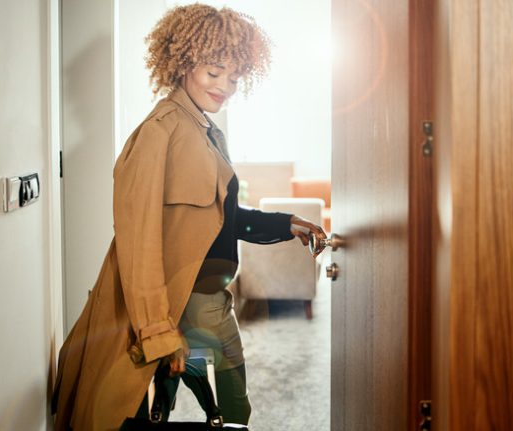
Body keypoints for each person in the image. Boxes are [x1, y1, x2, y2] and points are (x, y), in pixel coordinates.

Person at [51, 4, 326, 430]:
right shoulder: (159, 132)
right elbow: (137, 241)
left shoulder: (203, 129)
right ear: (182, 62)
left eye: (234, 77)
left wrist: (284, 223)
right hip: (181, 302)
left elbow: (221, 218)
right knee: (212, 405)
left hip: (210, 296)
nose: (225, 87)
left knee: (234, 402)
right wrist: (158, 332)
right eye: (214, 72)